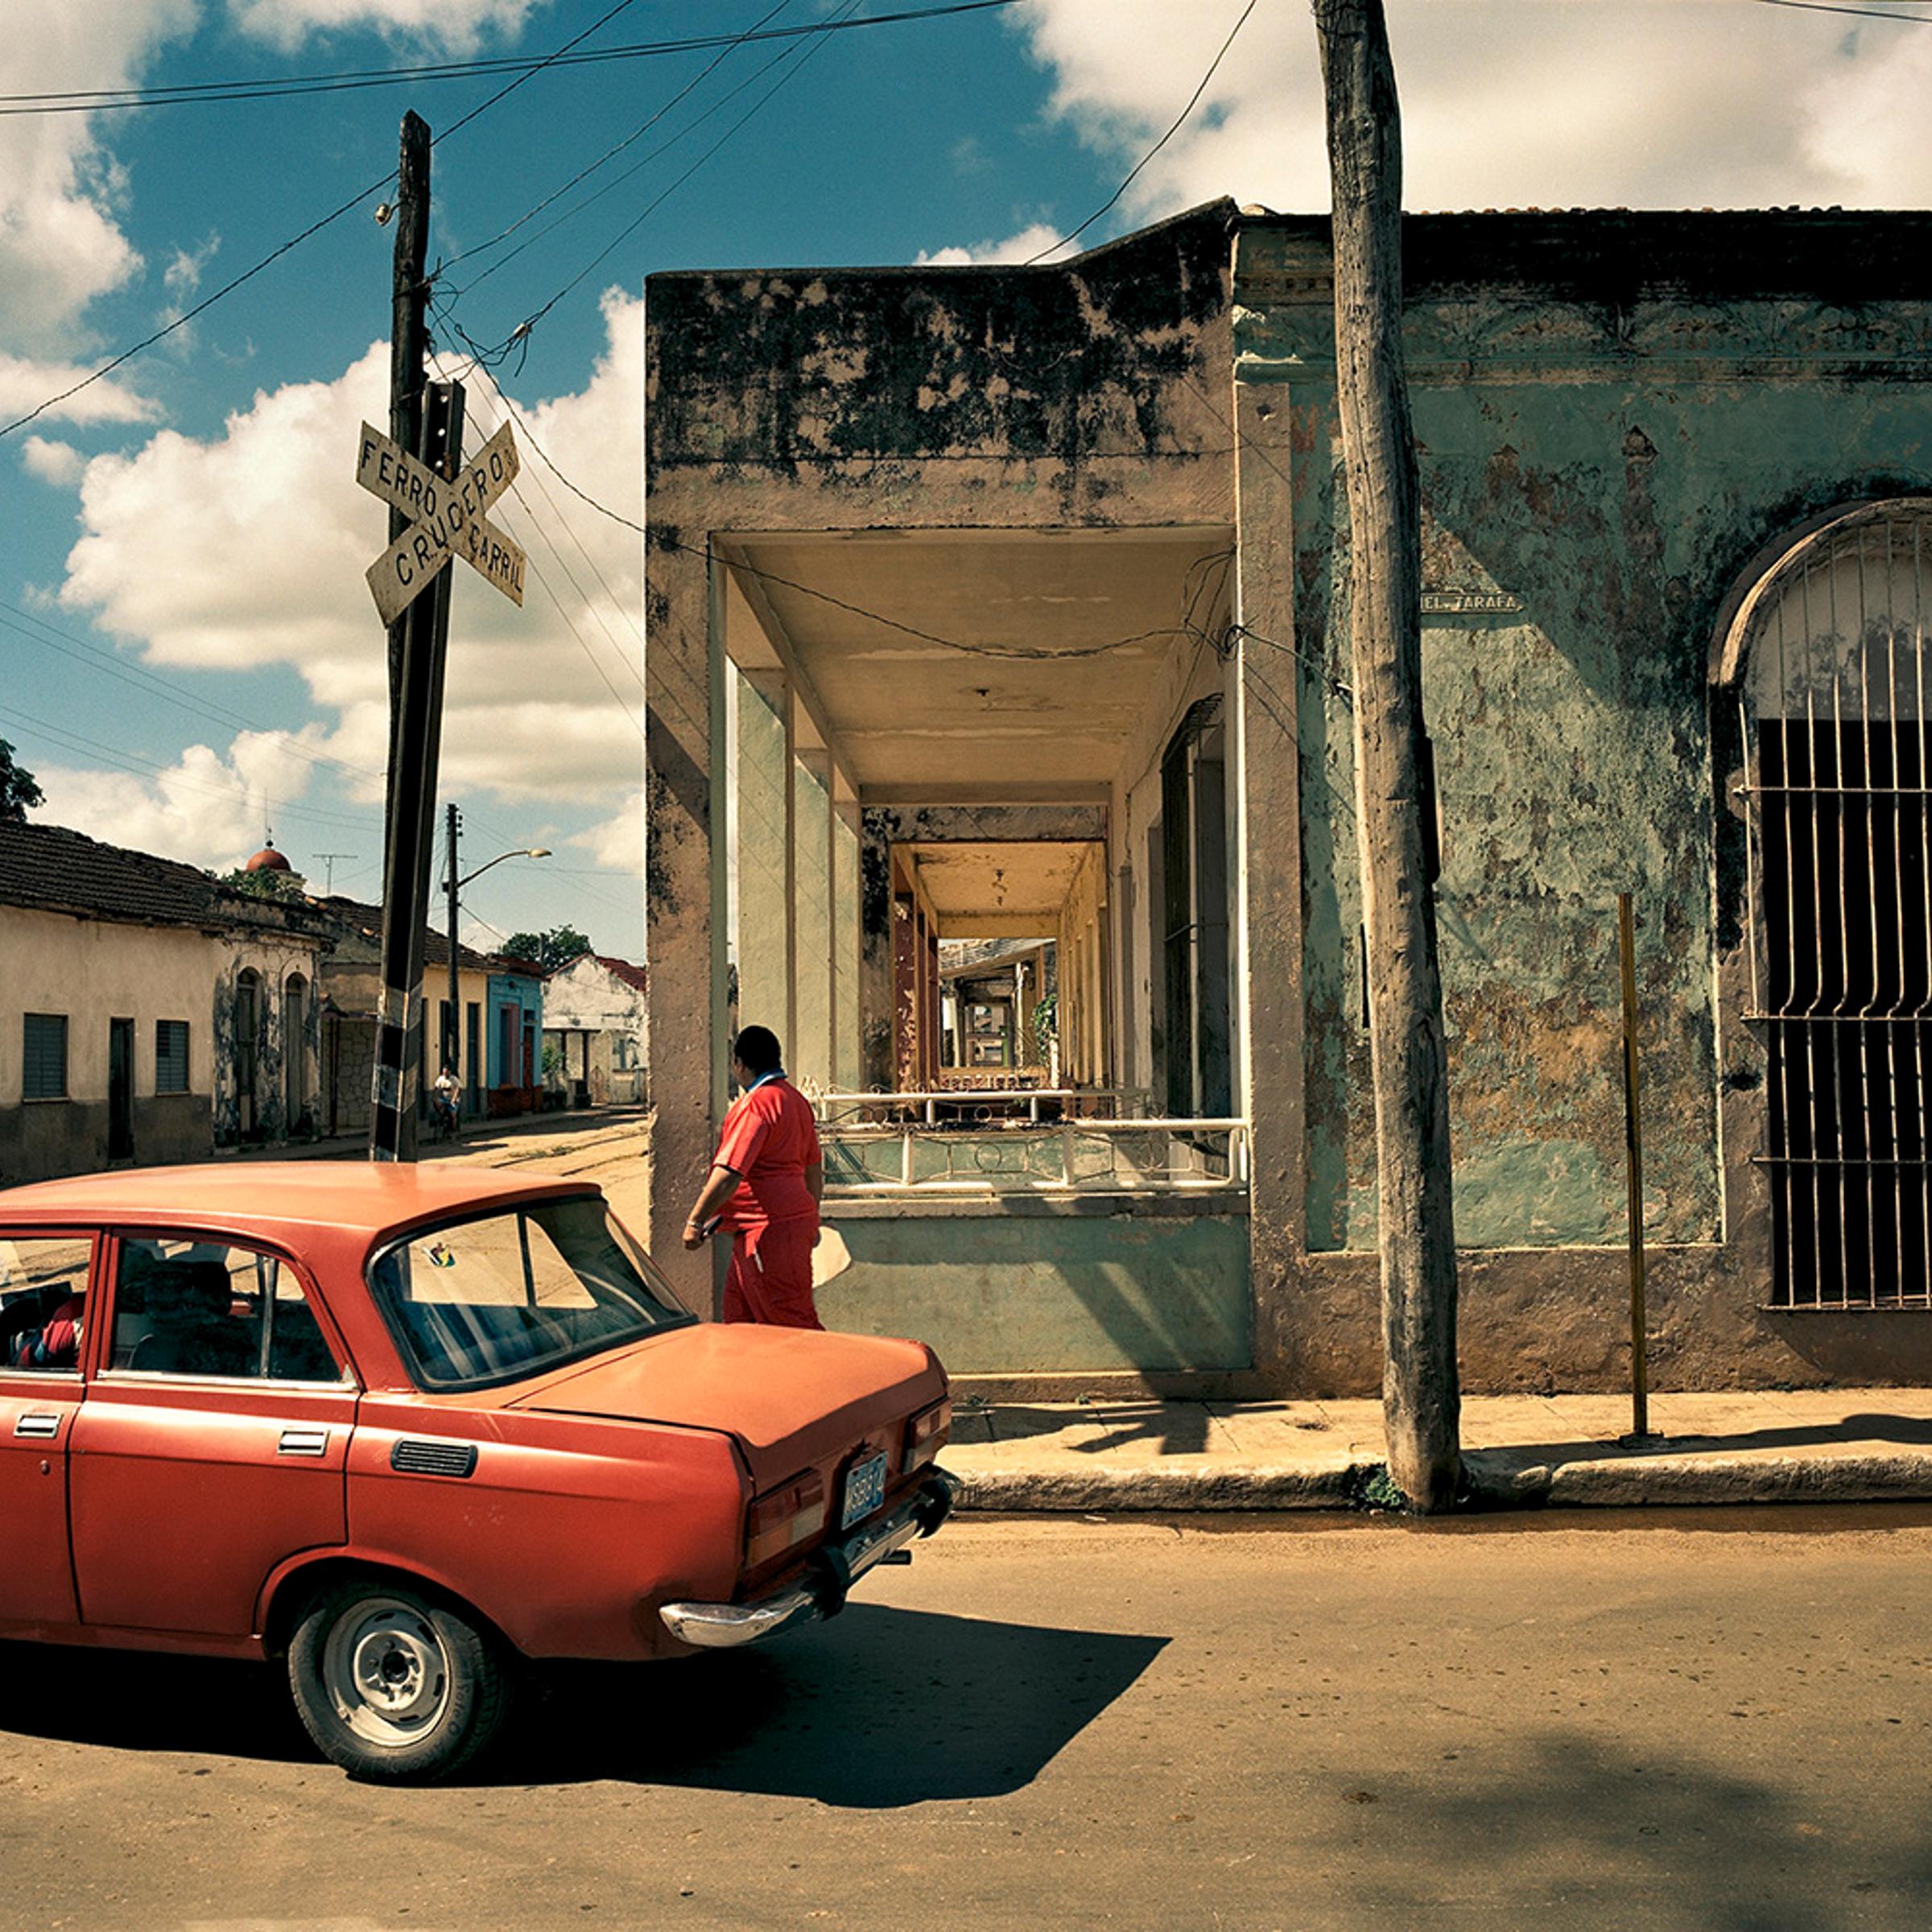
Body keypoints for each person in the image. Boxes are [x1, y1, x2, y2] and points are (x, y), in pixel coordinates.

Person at [683, 1025, 825, 1328]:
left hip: (768, 1231)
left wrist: (695, 1222)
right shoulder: (796, 1101)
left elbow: (730, 1173)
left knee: (792, 1326)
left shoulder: (756, 1106)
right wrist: (813, 1216)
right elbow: (814, 1169)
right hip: (769, 1230)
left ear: (739, 1064)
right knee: (739, 1323)